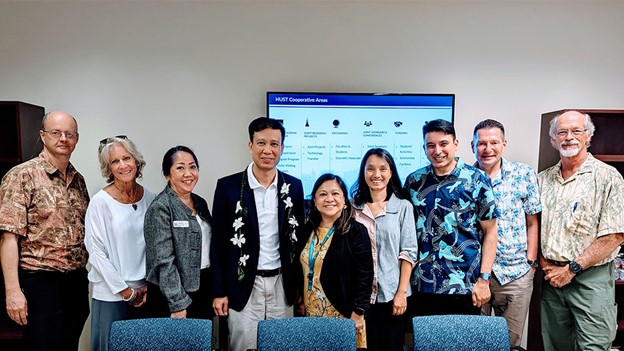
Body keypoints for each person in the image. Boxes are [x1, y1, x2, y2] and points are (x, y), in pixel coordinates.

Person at [211, 117, 305, 351]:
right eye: (261, 143)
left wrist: (300, 290)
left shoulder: (293, 187)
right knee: (243, 345)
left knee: (282, 346)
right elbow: (219, 244)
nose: (268, 150)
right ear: (250, 145)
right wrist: (219, 291)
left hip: (282, 285)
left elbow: (299, 242)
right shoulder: (228, 187)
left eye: (274, 144)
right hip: (243, 286)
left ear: (282, 148)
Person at [0, 111, 90, 351]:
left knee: (69, 344)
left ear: (77, 139)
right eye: (56, 133)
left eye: (69, 134)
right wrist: (13, 291)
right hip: (40, 282)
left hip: (75, 281)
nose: (63, 138)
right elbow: (8, 238)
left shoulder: (78, 180)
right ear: (42, 136)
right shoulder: (21, 176)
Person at [538, 110, 624, 351]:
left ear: (589, 136)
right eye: (562, 132)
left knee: (593, 346)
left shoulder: (608, 177)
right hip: (551, 279)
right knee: (554, 345)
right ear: (553, 139)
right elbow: (533, 228)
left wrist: (572, 269)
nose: (569, 137)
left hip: (590, 279)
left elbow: (615, 235)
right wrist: (547, 267)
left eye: (577, 131)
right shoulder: (542, 180)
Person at [404, 119, 498, 316]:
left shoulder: (477, 179)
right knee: (424, 344)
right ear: (424, 148)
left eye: (443, 144)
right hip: (423, 284)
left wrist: (483, 279)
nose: (437, 151)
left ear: (455, 144)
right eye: (431, 145)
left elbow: (490, 232)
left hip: (464, 285)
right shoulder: (414, 182)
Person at [470, 119, 541, 347]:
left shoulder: (523, 174)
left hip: (515, 274)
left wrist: (530, 263)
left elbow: (532, 221)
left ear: (504, 144)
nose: (487, 149)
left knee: (510, 343)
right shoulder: (465, 178)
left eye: (494, 142)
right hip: (475, 276)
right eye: (481, 143)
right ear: (472, 146)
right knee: (474, 342)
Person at [85, 135, 156, 350]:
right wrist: (125, 291)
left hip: (145, 293)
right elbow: (96, 252)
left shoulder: (151, 198)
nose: (123, 165)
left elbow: (156, 246)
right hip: (111, 294)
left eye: (127, 158)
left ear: (137, 161)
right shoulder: (100, 203)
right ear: (109, 168)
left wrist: (146, 287)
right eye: (115, 161)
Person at [295, 173, 374, 349]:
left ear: (345, 200)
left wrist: (359, 312)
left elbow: (365, 275)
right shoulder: (307, 230)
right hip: (311, 313)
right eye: (322, 194)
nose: (329, 199)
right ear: (314, 201)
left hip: (344, 314)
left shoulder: (355, 231)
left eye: (335, 194)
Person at [351, 148, 418, 351]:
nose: (376, 174)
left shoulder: (403, 207)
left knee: (391, 347)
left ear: (391, 173)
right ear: (363, 172)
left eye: (382, 169)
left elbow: (408, 253)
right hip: (360, 297)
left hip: (392, 295)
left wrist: (401, 293)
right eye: (370, 169)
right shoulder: (353, 208)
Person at [143, 146, 214, 319]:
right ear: (167, 174)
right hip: (173, 294)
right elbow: (163, 261)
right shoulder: (161, 208)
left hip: (202, 288)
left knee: (202, 343)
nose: (188, 173)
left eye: (192, 167)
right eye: (180, 168)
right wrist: (177, 302)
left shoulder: (200, 202)